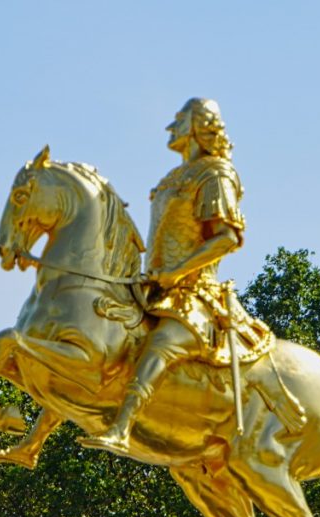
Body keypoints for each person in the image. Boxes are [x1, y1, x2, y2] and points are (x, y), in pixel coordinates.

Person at [80, 98, 273, 457]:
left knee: (161, 345)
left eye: (180, 119)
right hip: (152, 287)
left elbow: (227, 238)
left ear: (200, 125)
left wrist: (177, 273)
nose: (172, 127)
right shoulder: (172, 178)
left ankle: (122, 429)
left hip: (195, 294)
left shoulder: (215, 173)